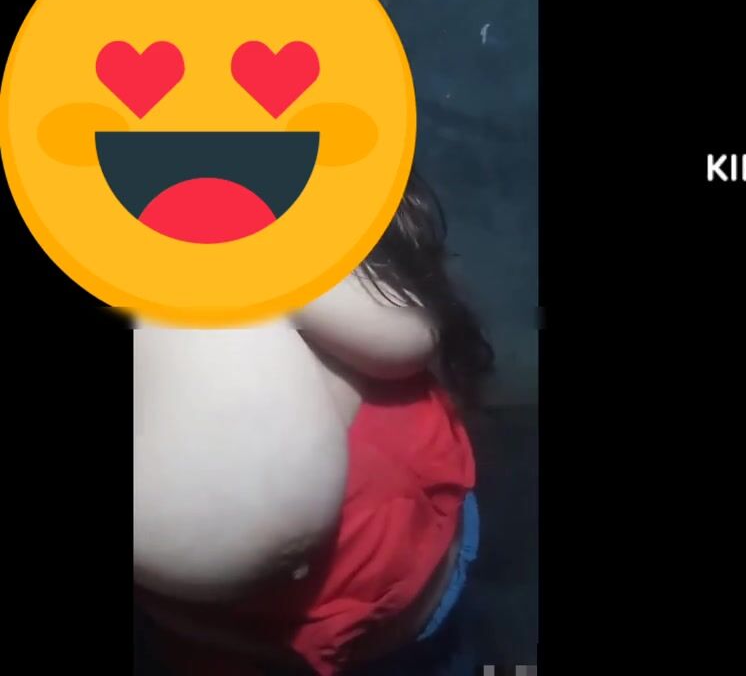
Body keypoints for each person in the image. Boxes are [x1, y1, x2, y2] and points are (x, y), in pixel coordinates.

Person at [134, 171, 494, 675]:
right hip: (269, 644)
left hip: (421, 584)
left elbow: (410, 336)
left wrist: (247, 261)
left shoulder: (307, 228)